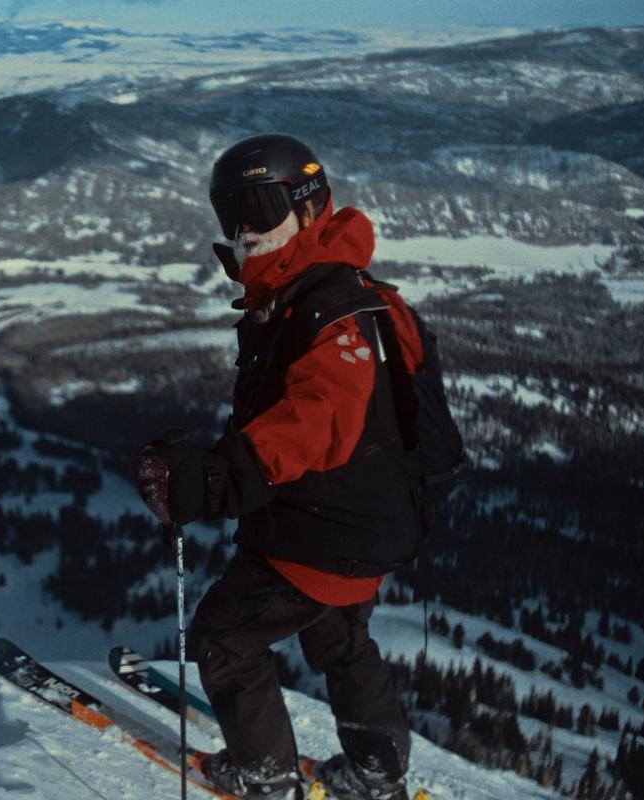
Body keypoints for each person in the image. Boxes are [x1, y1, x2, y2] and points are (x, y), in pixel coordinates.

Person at [133, 134, 426, 800]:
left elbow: (313, 421)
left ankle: (265, 774)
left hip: (319, 529)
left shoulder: (330, 314)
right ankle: (377, 769)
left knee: (225, 638)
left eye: (261, 210)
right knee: (341, 638)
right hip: (368, 522)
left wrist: (211, 480)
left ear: (310, 206)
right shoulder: (333, 292)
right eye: (230, 214)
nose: (244, 233)